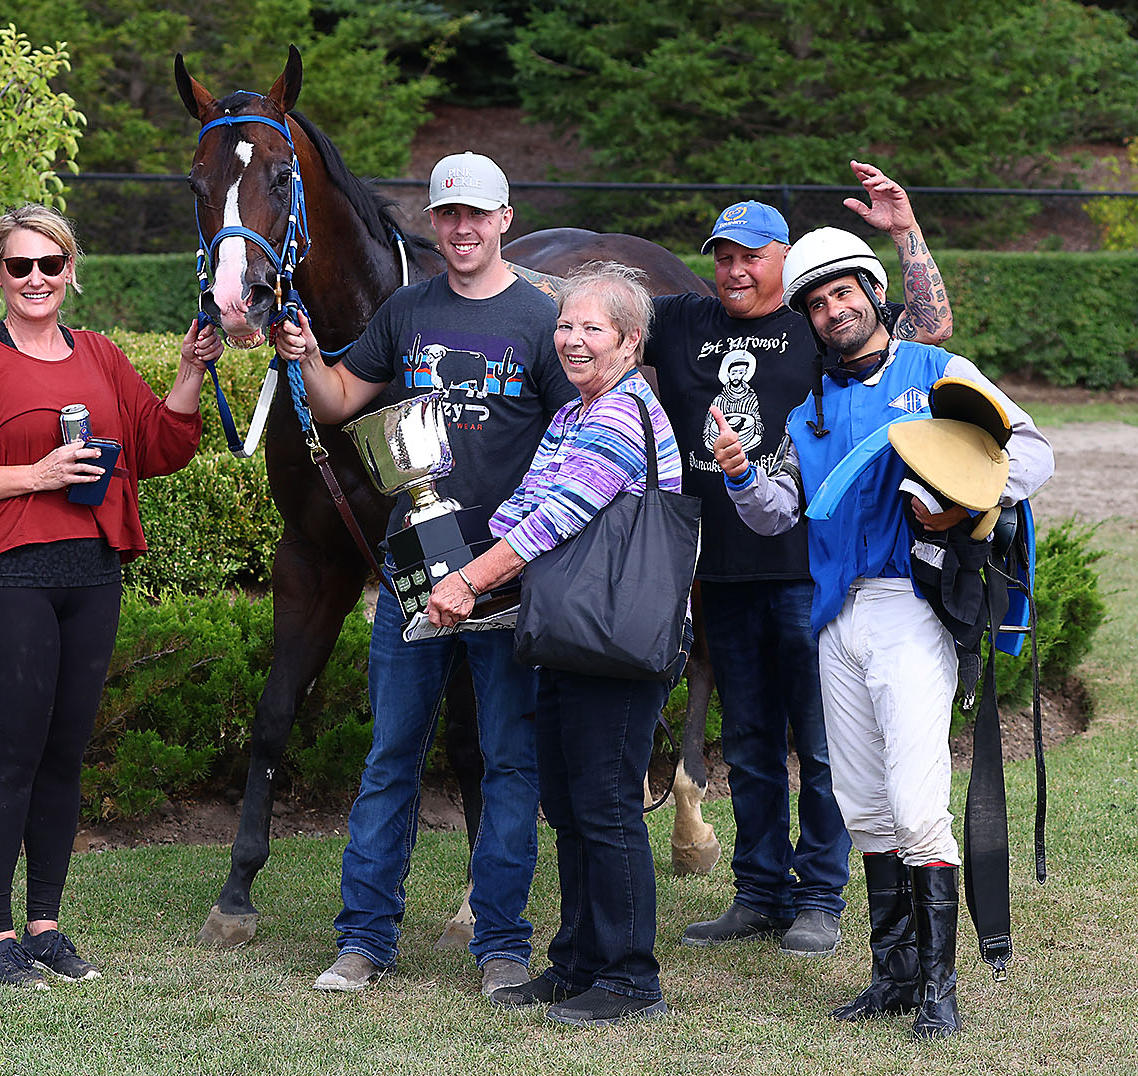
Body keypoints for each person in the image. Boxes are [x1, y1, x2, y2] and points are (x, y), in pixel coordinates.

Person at [710, 227, 1054, 1037]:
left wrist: (967, 500)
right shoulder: (808, 411)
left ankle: (940, 989)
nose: (834, 311)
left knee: (911, 799)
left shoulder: (939, 372)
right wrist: (739, 473)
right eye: (817, 303)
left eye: (844, 293)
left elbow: (1031, 452)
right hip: (833, 615)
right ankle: (893, 976)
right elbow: (776, 515)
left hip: (912, 607)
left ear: (872, 290)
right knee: (861, 803)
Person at [276, 152, 577, 997]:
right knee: (392, 757)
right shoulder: (407, 310)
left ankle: (503, 947)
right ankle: (363, 943)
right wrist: (305, 354)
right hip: (414, 571)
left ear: (506, 218)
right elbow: (339, 401)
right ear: (435, 221)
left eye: (478, 214)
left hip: (509, 576)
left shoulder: (541, 319)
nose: (463, 228)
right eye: (448, 215)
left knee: (510, 762)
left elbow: (575, 445)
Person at [643, 162, 954, 956]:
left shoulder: (821, 328)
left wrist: (905, 230)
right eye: (723, 255)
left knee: (819, 745)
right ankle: (759, 892)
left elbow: (926, 325)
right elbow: (589, 315)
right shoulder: (681, 321)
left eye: (751, 255)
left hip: (816, 573)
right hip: (722, 567)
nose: (735, 270)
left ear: (786, 257)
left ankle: (822, 894)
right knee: (746, 741)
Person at [0, 204, 218, 989]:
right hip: (10, 575)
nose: (36, 279)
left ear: (71, 271)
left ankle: (44, 923)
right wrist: (35, 476)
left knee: (64, 755)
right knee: (12, 753)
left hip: (92, 574)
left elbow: (158, 444)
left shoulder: (102, 355)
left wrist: (187, 373)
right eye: (20, 267)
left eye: (51, 264)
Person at [426, 263, 682, 1026]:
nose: (571, 339)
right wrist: (440, 551)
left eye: (591, 328)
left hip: (617, 639)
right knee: (570, 805)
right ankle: (577, 963)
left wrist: (468, 582)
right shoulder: (574, 413)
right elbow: (523, 506)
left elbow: (556, 519)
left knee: (606, 808)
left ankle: (632, 980)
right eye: (565, 325)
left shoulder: (616, 415)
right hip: (576, 633)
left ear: (630, 342)